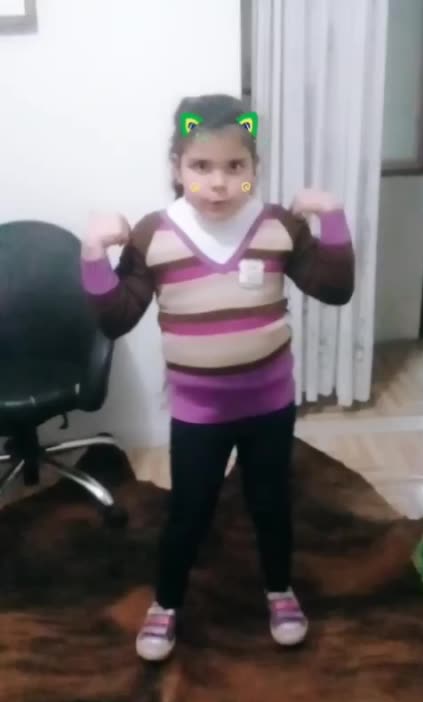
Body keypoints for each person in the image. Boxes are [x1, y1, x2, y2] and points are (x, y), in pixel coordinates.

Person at [80, 93, 354, 662]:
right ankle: (166, 602)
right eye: (201, 166)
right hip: (199, 413)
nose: (220, 182)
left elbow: (335, 288)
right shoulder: (154, 234)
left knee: (271, 502)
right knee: (190, 510)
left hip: (270, 405)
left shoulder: (277, 225)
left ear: (255, 168)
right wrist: (91, 255)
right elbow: (116, 317)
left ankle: (279, 590)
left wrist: (330, 217)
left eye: (236, 166)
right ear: (176, 168)